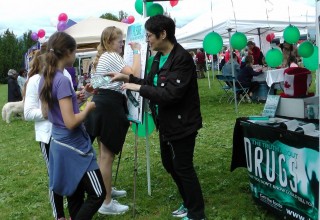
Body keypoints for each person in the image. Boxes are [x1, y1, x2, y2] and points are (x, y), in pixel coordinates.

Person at [109, 14, 206, 220]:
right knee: (169, 164)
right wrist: (127, 77)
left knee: (183, 167)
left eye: (150, 35)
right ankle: (188, 202)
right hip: (166, 122)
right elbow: (150, 82)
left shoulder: (182, 59)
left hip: (183, 123)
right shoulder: (157, 58)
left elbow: (171, 94)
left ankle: (197, 212)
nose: (147, 40)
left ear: (163, 34)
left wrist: (139, 87)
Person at [39, 31, 106, 220]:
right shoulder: (61, 80)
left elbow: (47, 112)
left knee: (75, 194)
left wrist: (72, 99)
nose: (75, 55)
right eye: (75, 51)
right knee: (98, 193)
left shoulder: (46, 77)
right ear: (68, 52)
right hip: (74, 147)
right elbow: (70, 122)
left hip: (59, 144)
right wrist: (87, 108)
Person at [84, 26, 141, 215]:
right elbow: (136, 75)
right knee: (107, 157)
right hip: (109, 107)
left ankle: (105, 191)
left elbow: (99, 84)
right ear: (109, 42)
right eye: (119, 41)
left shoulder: (102, 58)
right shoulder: (111, 56)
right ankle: (106, 202)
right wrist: (137, 51)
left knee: (103, 155)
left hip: (101, 105)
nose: (122, 44)